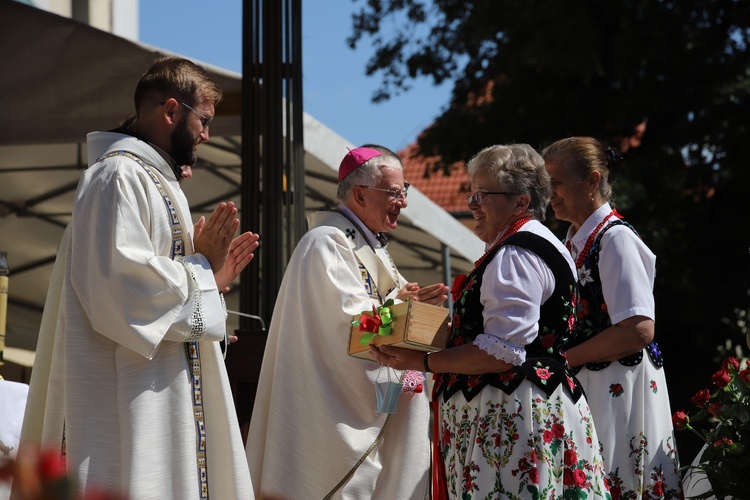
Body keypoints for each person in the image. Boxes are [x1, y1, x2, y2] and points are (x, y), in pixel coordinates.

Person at [19, 57, 258, 500]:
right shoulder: (116, 176)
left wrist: (214, 285)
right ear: (170, 111)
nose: (207, 134)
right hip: (126, 396)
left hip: (162, 392)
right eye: (203, 120)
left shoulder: (155, 180)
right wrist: (203, 269)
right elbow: (122, 287)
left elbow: (167, 290)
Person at [371, 144, 611, 499]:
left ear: (522, 202)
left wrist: (420, 361)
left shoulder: (517, 253)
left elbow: (501, 351)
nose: (472, 204)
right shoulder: (525, 246)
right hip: (522, 411)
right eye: (471, 194)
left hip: (511, 419)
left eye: (482, 195)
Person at [246, 145, 449, 499]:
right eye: (395, 193)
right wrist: (402, 308)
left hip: (384, 402)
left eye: (405, 192)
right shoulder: (325, 244)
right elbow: (353, 329)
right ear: (360, 194)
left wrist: (413, 308)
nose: (402, 202)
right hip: (336, 409)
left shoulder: (371, 250)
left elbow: (378, 314)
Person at [542, 137, 682, 498]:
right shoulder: (574, 241)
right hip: (595, 384)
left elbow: (638, 329)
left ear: (591, 180)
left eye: (556, 182)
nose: (550, 193)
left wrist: (563, 360)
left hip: (619, 386)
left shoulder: (615, 238)